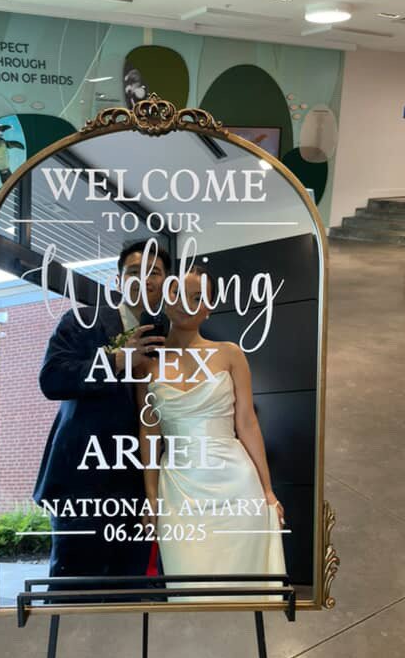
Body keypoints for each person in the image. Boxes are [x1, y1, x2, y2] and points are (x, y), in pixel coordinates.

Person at [137, 266, 287, 602]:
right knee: (189, 587)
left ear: (208, 307)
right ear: (164, 300)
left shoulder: (230, 354)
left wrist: (267, 490)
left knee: (244, 587)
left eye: (197, 298)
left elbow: (247, 423)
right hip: (178, 488)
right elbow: (148, 436)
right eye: (177, 295)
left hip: (236, 484)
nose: (187, 304)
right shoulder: (146, 365)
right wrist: (151, 499)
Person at [32, 240, 170, 598]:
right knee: (75, 595)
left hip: (138, 493)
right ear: (118, 280)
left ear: (166, 282)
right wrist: (116, 361)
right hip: (82, 489)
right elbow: (52, 379)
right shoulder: (83, 320)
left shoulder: (169, 336)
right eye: (133, 271)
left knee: (130, 594)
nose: (144, 279)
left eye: (154, 272)